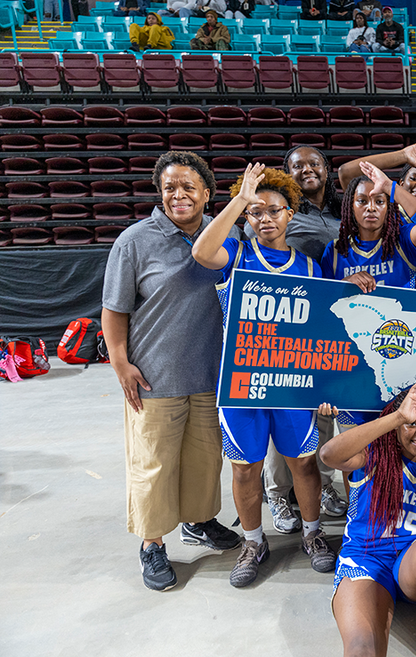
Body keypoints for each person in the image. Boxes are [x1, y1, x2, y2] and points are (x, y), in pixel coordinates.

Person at [102, 151, 242, 592]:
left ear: (207, 192)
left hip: (210, 374)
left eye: (187, 187)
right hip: (154, 377)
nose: (178, 195)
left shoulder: (228, 233)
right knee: (154, 465)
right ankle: (152, 543)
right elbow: (113, 310)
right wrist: (121, 362)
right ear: (160, 194)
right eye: (169, 188)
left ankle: (199, 522)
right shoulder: (134, 241)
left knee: (204, 461)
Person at [190, 164, 335, 587]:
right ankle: (253, 542)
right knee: (244, 470)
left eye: (273, 210)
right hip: (242, 385)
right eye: (255, 212)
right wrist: (239, 200)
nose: (265, 218)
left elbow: (324, 333)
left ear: (291, 214)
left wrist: (325, 385)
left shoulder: (310, 267)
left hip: (293, 385)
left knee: (304, 465)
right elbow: (200, 251)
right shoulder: (236, 255)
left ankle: (313, 534)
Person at [319, 381, 416, 657]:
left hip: (412, 566)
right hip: (365, 559)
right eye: (412, 423)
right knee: (362, 648)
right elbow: (328, 455)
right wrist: (396, 416)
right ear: (396, 425)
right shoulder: (371, 456)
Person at [257, 145, 349, 533]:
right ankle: (279, 494)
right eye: (298, 165)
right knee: (286, 414)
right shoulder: (275, 212)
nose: (307, 170)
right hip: (281, 326)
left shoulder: (342, 209)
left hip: (324, 320)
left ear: (326, 170)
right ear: (287, 173)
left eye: (314, 164)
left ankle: (322, 484)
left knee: (320, 415)